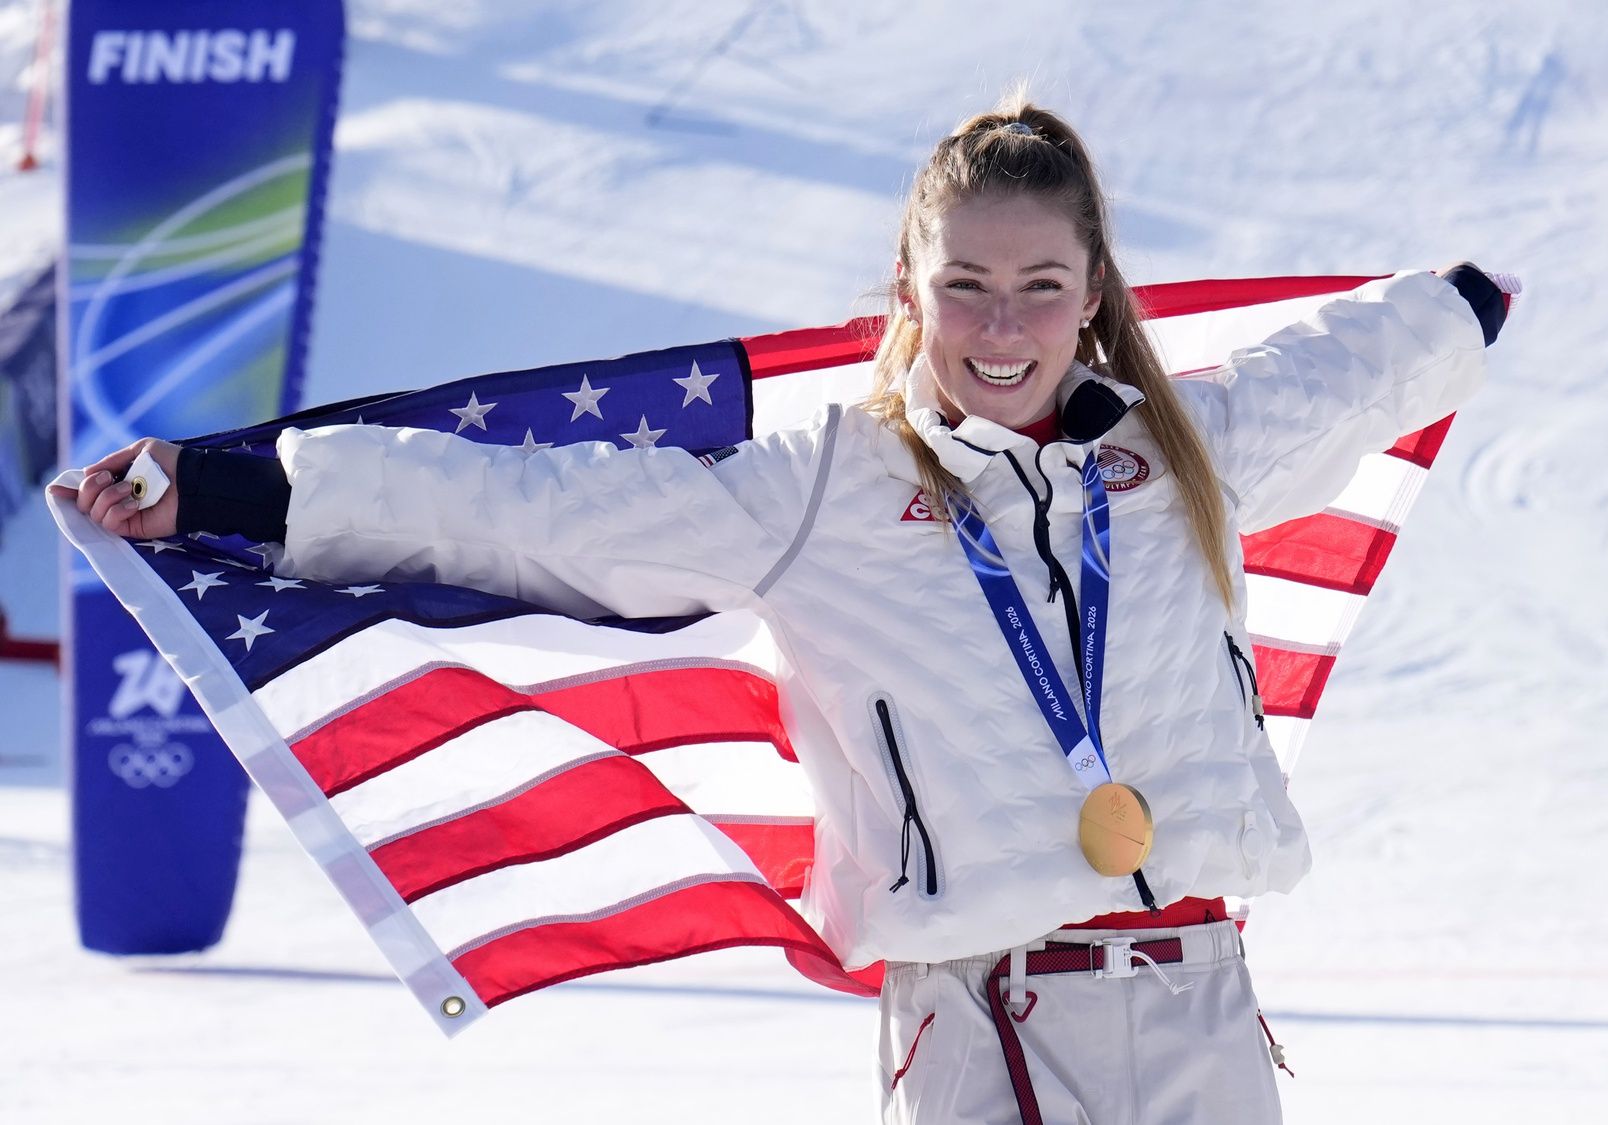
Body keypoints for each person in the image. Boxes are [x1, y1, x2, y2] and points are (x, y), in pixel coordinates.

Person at [61, 95, 1505, 1124]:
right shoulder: (819, 487)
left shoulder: (1182, 453)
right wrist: (241, 492)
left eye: (1040, 287)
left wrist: (1465, 305)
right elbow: (531, 509)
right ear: (909, 286)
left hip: (1202, 1013)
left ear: (1091, 295)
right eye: (966, 288)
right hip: (982, 1027)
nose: (1000, 327)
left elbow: (1354, 363)